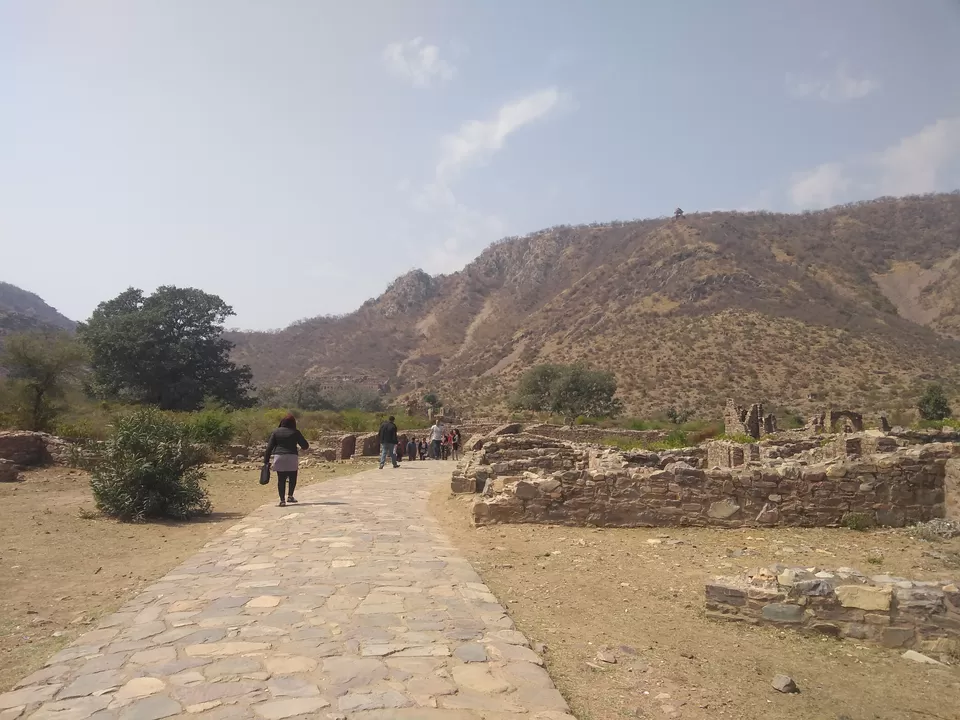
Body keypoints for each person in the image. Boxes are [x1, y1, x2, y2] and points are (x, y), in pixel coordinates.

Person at [264, 413, 309, 507]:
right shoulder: (295, 432)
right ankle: (290, 496)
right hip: (292, 457)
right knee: (293, 477)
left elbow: (269, 448)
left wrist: (266, 461)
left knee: (281, 479)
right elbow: (305, 446)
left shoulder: (276, 432)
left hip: (279, 457)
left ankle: (282, 500)